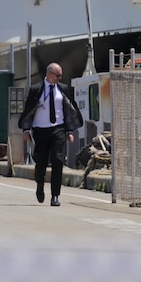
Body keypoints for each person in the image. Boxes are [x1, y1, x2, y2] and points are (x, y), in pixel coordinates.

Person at [18, 62, 83, 206]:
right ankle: (40, 185)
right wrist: (26, 130)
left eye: (61, 76)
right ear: (49, 74)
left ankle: (55, 196)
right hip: (40, 130)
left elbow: (69, 110)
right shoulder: (36, 89)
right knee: (41, 162)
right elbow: (28, 111)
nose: (60, 78)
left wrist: (69, 130)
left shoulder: (63, 89)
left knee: (58, 161)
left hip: (57, 129)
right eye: (58, 75)